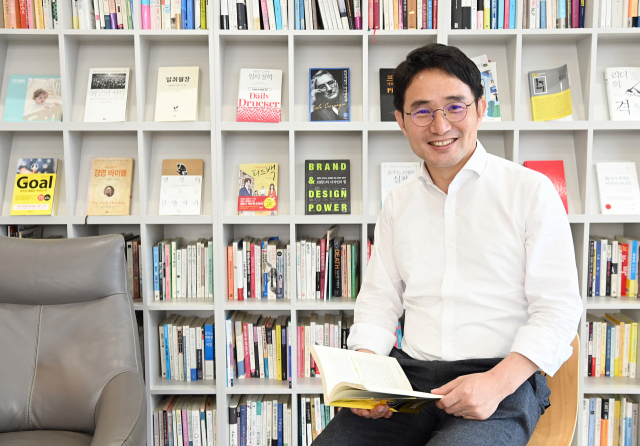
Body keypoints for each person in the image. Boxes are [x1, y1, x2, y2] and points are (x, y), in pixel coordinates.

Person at [313, 43, 582, 446]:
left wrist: (496, 383)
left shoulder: (530, 192)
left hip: (501, 376)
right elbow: (380, 301)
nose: (440, 127)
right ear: (402, 122)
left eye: (455, 107)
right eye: (422, 112)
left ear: (480, 108)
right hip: (409, 378)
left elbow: (559, 309)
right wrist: (366, 371)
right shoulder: (398, 203)